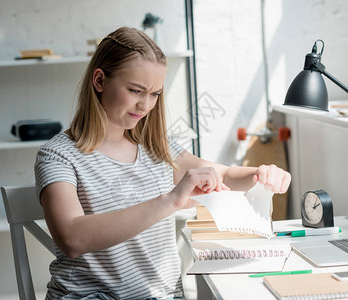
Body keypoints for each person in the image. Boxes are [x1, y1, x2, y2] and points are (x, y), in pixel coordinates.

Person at [34, 27, 291, 300]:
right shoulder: (58, 156)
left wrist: (260, 174)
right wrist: (171, 200)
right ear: (99, 80)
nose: (145, 105)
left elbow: (224, 175)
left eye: (155, 94)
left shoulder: (156, 147)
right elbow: (72, 239)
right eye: (136, 90)